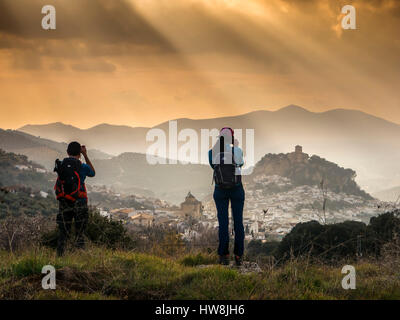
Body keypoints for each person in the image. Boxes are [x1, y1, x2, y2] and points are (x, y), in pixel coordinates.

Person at [208, 127, 245, 266]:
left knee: (223, 223)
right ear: (231, 138)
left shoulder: (212, 152)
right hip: (236, 189)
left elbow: (213, 166)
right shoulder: (237, 150)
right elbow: (241, 163)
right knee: (238, 223)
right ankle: (238, 255)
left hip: (220, 190)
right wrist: (235, 147)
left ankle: (223, 255)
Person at [55, 142, 95, 256]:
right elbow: (92, 173)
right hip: (80, 201)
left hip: (64, 201)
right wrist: (86, 155)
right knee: (80, 232)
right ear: (80, 153)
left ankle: (60, 257)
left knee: (63, 232)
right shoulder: (82, 166)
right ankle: (80, 257)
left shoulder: (62, 164)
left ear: (67, 152)